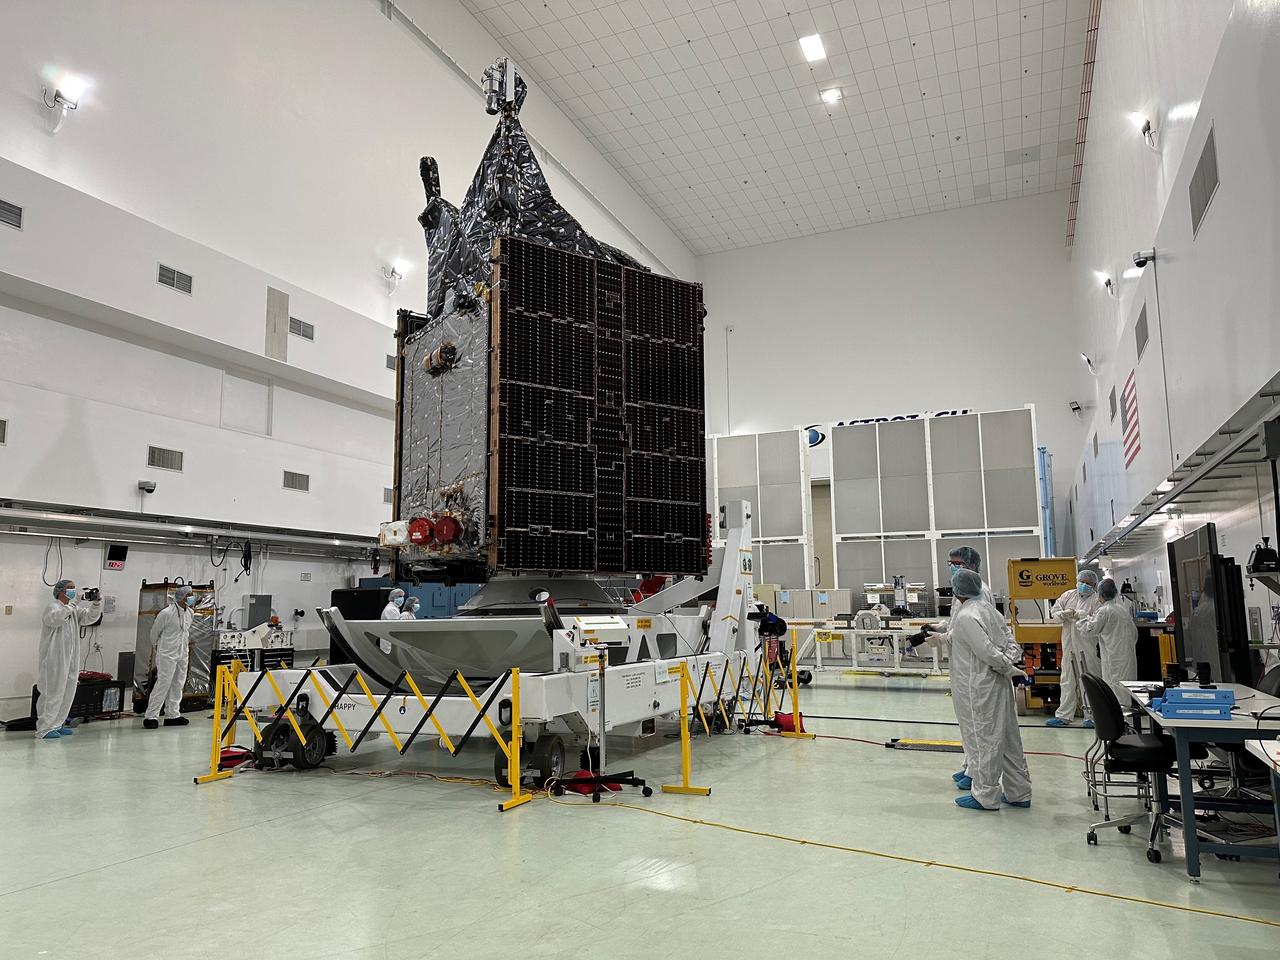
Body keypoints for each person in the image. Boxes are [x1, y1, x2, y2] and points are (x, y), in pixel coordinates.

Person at [949, 569, 1032, 811]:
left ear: (957, 591)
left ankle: (985, 795)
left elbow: (985, 651)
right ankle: (1019, 792)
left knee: (985, 738)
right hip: (998, 684)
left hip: (980, 686)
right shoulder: (989, 609)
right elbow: (1010, 642)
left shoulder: (966, 616)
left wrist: (1006, 667)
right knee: (1008, 739)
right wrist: (1009, 663)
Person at [36, 579, 104, 740]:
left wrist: (96, 603)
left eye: (74, 588)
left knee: (67, 691)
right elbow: (56, 619)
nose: (73, 590)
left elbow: (90, 618)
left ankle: (57, 724)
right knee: (53, 692)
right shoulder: (53, 607)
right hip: (54, 657)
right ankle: (44, 729)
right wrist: (73, 603)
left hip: (71, 656)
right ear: (60, 591)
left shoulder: (74, 609)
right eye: (70, 588)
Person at [1046, 569, 1101, 727]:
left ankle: (1091, 716)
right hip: (1069, 644)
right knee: (1067, 679)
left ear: (1094, 585)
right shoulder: (1068, 595)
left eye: (1088, 583)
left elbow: (1098, 620)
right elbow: (1055, 613)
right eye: (1082, 582)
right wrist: (1064, 614)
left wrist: (1079, 614)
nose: (1084, 585)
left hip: (1087, 646)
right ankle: (1064, 716)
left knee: (1088, 679)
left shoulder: (1097, 600)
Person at [1076, 578, 1139, 704]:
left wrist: (1082, 617)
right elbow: (1134, 634)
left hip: (1114, 657)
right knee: (1125, 690)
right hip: (1128, 656)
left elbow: (1089, 630)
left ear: (1100, 594)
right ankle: (1126, 720)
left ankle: (1119, 722)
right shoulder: (1121, 609)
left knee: (1114, 689)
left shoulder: (1104, 610)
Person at [144, 585, 196, 729]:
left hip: (182, 653)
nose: (192, 598)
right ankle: (151, 716)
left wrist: (186, 646)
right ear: (181, 597)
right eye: (189, 595)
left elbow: (184, 632)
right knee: (163, 683)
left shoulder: (190, 613)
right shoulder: (166, 613)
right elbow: (154, 633)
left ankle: (172, 715)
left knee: (178, 683)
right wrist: (157, 647)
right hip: (167, 653)